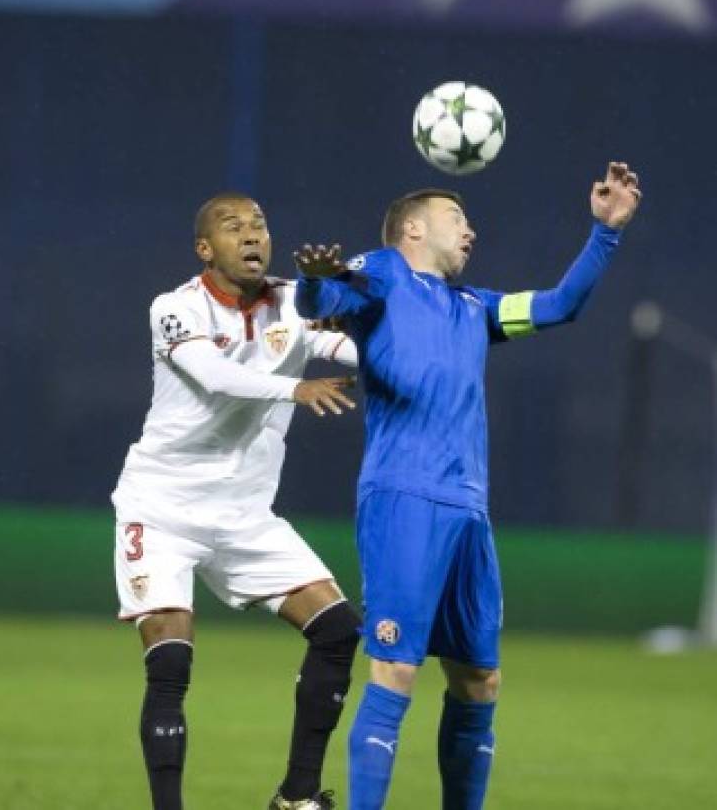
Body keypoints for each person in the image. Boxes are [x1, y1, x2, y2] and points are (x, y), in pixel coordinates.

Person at [293, 161, 642, 809]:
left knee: (480, 679)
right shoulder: (385, 274)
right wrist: (314, 283)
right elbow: (327, 299)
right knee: (396, 668)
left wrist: (607, 232)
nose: (472, 232)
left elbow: (560, 306)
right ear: (414, 230)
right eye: (459, 221)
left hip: (468, 512)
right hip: (404, 498)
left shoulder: (473, 309)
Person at [112, 192, 363, 810]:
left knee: (337, 630)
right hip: (162, 505)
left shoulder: (293, 304)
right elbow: (215, 374)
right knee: (170, 665)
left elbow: (356, 353)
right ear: (206, 249)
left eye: (259, 224)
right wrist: (295, 386)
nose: (252, 234)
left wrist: (377, 316)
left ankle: (296, 796)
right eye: (234, 226)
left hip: (245, 515)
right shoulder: (175, 308)